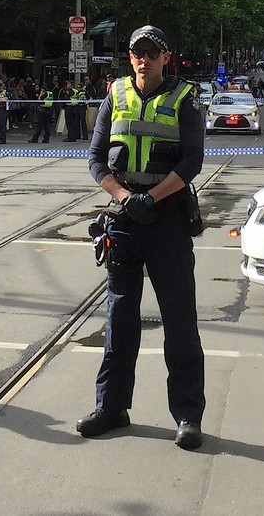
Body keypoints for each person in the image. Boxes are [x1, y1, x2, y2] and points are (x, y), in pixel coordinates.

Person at [81, 25, 206, 451]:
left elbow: (193, 160)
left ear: (166, 56)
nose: (144, 59)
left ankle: (188, 415)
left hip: (167, 220)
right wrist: (122, 196)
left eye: (152, 52)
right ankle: (111, 407)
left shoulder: (184, 98)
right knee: (119, 318)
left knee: (179, 321)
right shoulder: (114, 94)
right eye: (137, 52)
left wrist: (151, 198)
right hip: (124, 223)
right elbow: (96, 160)